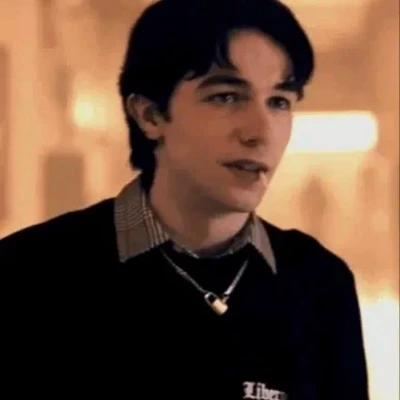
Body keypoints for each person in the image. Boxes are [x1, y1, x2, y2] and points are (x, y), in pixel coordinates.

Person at [1, 0, 369, 398]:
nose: (260, 132)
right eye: (226, 97)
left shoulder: (319, 285)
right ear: (150, 115)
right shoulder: (29, 274)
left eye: (279, 102)